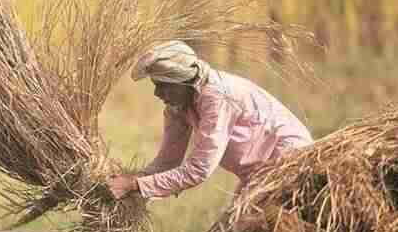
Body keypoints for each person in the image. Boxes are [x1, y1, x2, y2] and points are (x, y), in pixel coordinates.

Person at [107, 40, 313, 201]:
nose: (157, 93)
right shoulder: (178, 106)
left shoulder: (217, 97)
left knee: (251, 230)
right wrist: (132, 180)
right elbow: (168, 162)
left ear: (183, 80)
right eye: (155, 85)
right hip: (256, 172)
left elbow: (199, 170)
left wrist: (135, 185)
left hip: (288, 159)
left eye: (163, 85)